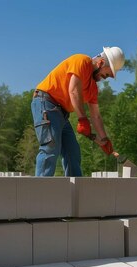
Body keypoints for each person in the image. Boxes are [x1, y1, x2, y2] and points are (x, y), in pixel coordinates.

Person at [31, 46, 125, 176]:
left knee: (72, 152)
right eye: (107, 74)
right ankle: (40, 193)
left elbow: (96, 115)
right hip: (45, 103)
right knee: (51, 147)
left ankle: (75, 192)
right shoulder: (81, 61)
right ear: (101, 62)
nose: (105, 78)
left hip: (61, 113)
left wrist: (104, 139)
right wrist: (82, 119)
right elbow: (73, 90)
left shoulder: (93, 88)